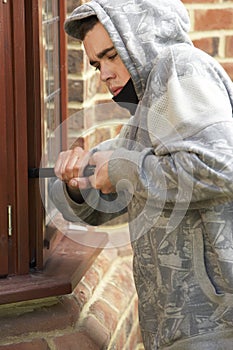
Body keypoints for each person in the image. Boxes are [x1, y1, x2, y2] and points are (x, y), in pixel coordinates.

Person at [50, 0, 233, 348]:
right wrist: (78, 181)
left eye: (112, 55)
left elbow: (222, 167)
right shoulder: (146, 112)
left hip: (216, 328)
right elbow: (109, 200)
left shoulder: (180, 68)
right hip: (182, 331)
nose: (104, 73)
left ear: (141, 40)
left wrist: (122, 167)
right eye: (95, 64)